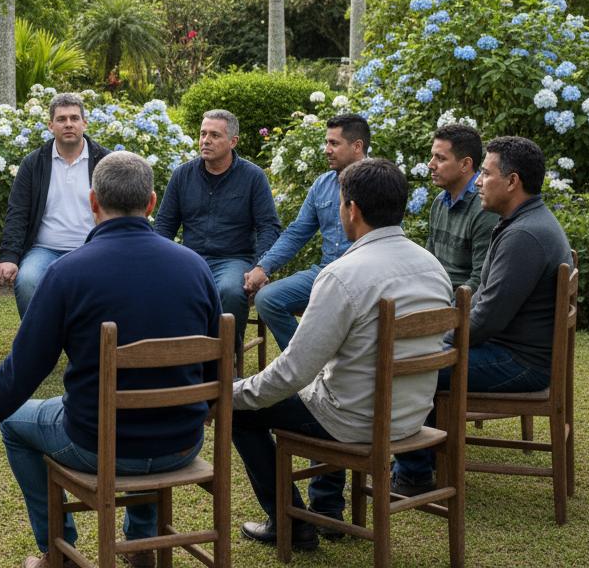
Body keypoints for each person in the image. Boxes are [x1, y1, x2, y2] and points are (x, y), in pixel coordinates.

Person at [0, 151, 223, 568]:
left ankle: (58, 551)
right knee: (140, 405)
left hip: (97, 444)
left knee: (15, 427)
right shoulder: (196, 267)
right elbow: (217, 369)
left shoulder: (68, 272)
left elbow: (23, 370)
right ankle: (142, 542)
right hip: (182, 442)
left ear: (93, 201)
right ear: (151, 203)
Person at [231, 158, 452, 550]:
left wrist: (230, 392)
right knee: (325, 389)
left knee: (241, 412)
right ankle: (322, 508)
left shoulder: (342, 274)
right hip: (411, 416)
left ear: (352, 209)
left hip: (356, 421)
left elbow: (293, 372)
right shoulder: (433, 267)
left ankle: (291, 525)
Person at [393, 136, 572, 494]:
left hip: (520, 362)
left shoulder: (524, 235)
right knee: (419, 356)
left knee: (411, 367)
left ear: (512, 181)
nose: (477, 182)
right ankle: (418, 461)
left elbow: (487, 319)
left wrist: (436, 342)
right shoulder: (522, 221)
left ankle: (413, 474)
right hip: (518, 351)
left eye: (485, 174)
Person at [154, 109, 281, 348]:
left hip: (234, 259)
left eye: (214, 135)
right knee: (161, 285)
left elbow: (269, 227)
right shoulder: (182, 175)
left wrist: (259, 268)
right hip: (190, 258)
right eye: (203, 134)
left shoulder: (253, 177)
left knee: (231, 291)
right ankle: (177, 356)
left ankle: (225, 362)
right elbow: (164, 224)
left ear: (233, 141)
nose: (205, 140)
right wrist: (158, 261)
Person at [244, 114, 368, 350]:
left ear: (357, 146)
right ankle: (306, 367)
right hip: (326, 272)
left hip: (365, 276)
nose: (326, 150)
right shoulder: (322, 185)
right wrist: (263, 267)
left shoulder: (379, 181)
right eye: (326, 142)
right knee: (267, 299)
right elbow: (297, 232)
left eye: (334, 143)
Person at [0, 92, 111, 317]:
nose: (68, 124)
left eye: (74, 118)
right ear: (50, 125)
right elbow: (18, 212)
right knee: (27, 281)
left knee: (104, 284)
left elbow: (118, 210)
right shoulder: (33, 163)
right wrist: (9, 257)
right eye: (62, 119)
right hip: (44, 250)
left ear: (84, 123)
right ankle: (38, 345)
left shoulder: (104, 161)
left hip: (91, 247)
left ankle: (87, 346)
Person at [424, 124, 499, 293]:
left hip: (460, 308)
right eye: (432, 157)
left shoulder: (484, 209)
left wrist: (445, 309)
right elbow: (429, 263)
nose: (431, 164)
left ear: (465, 164)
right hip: (435, 296)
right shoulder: (439, 203)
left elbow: (481, 280)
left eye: (440, 158)